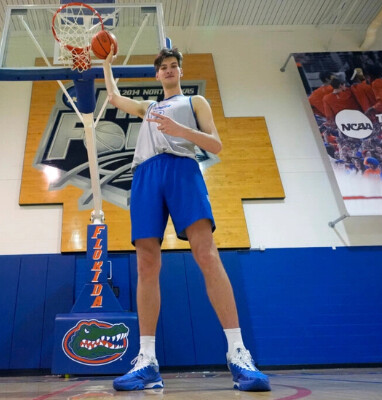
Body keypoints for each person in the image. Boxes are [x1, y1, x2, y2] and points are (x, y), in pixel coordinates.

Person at [103, 47, 270, 392]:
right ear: (156, 75)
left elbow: (216, 145)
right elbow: (116, 98)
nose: (168, 70)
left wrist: (180, 129)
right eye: (163, 67)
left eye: (173, 66)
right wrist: (106, 63)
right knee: (146, 264)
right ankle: (146, 361)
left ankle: (239, 353)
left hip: (182, 168)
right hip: (146, 174)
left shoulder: (195, 102)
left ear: (180, 72)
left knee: (206, 254)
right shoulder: (148, 107)